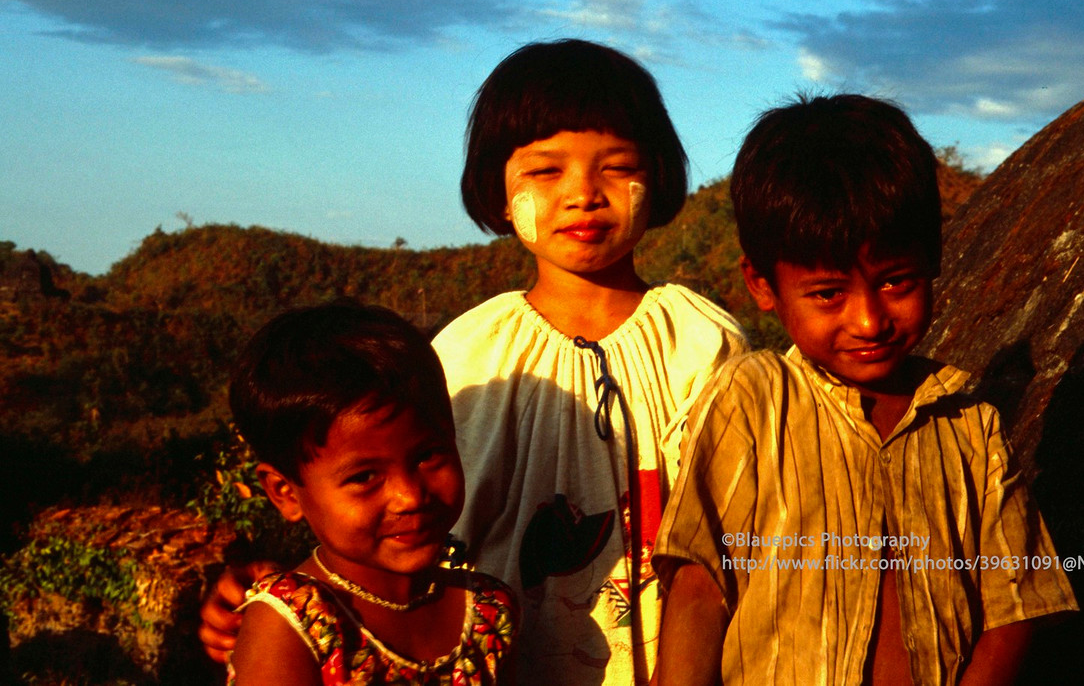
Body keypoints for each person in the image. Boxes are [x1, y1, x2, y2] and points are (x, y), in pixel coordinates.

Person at [200, 40, 749, 685]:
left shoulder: (702, 340)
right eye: (546, 172)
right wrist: (267, 591)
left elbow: (728, 539)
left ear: (654, 177)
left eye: (614, 167)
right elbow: (388, 522)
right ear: (498, 185)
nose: (583, 195)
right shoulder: (469, 353)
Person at [653, 95, 1077, 685]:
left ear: (932, 259)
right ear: (762, 284)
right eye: (828, 293)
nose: (870, 321)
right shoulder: (753, 398)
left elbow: (1016, 604)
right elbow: (701, 582)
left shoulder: (969, 423)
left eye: (896, 281)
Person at [224, 301, 517, 685]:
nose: (410, 497)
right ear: (286, 493)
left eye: (428, 455)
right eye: (364, 477)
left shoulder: (488, 611)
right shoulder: (292, 624)